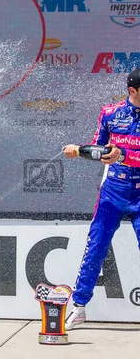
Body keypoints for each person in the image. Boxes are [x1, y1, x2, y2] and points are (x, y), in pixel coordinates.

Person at [62, 67, 140, 330]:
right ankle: (79, 307)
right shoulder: (110, 113)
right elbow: (99, 147)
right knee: (96, 247)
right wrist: (79, 150)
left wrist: (123, 157)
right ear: (133, 91)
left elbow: (119, 155)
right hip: (113, 193)